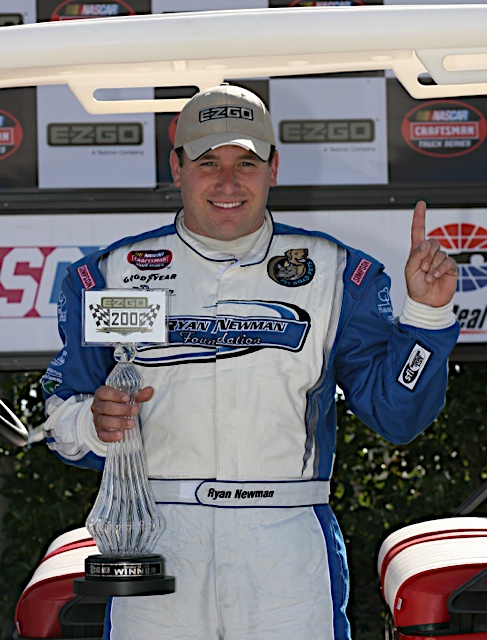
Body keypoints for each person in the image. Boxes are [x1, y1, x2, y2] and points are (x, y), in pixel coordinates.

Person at [42, 83, 459, 640]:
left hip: (285, 551)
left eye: (246, 162)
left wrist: (427, 316)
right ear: (177, 167)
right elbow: (59, 414)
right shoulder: (112, 275)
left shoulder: (335, 273)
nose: (227, 182)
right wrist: (91, 424)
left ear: (273, 168)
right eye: (207, 162)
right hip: (158, 544)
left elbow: (397, 416)